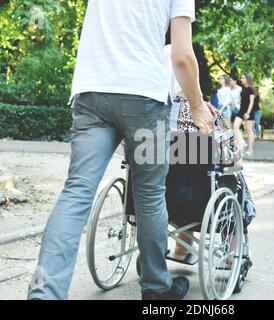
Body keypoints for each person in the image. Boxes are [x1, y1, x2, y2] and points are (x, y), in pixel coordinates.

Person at [27, 0, 214, 301]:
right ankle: (156, 287)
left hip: (91, 91)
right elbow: (181, 56)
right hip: (145, 99)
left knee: (76, 192)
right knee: (150, 195)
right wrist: (195, 105)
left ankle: (43, 293)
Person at [233, 73, 259, 156]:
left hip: (248, 112)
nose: (241, 79)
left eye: (243, 78)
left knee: (249, 130)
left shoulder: (251, 89)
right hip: (241, 110)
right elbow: (242, 100)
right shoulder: (243, 89)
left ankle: (250, 150)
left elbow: (251, 102)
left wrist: (248, 113)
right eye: (241, 78)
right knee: (235, 127)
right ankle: (242, 143)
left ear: (247, 79)